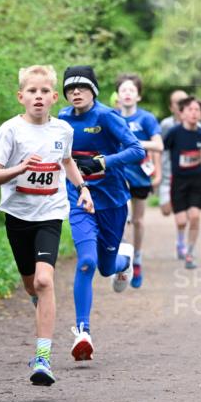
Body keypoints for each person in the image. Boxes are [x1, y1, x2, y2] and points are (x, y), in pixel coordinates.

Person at [0, 65, 94, 386]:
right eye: (32, 91)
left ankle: (43, 358)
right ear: (21, 97)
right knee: (32, 286)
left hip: (50, 213)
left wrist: (82, 188)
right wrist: (20, 168)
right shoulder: (10, 131)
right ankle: (41, 306)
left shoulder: (62, 130)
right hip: (18, 217)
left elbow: (68, 161)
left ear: (53, 97)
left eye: (44, 91)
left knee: (46, 281)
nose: (38, 97)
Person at [58, 66, 145, 361]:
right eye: (70, 89)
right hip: (80, 202)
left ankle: (125, 259)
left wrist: (104, 162)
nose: (76, 93)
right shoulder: (62, 119)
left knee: (107, 267)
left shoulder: (107, 116)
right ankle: (83, 332)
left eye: (82, 88)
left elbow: (137, 151)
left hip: (112, 202)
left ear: (93, 91)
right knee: (86, 262)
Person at [114, 73, 163, 288]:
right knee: (121, 216)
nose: (127, 94)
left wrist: (134, 143)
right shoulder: (111, 117)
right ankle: (123, 257)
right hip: (117, 174)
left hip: (141, 176)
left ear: (138, 96)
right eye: (123, 90)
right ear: (118, 94)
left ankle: (138, 258)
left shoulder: (146, 119)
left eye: (131, 90)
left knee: (138, 221)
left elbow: (159, 146)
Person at [162, 96, 201, 270]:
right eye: (190, 110)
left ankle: (190, 252)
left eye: (197, 110)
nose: (194, 113)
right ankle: (180, 242)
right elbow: (161, 150)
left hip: (197, 181)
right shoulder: (174, 133)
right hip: (178, 181)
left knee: (195, 216)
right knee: (181, 221)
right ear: (182, 113)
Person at [160, 89, 189, 256]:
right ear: (171, 107)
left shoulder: (195, 125)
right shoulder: (165, 125)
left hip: (186, 176)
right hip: (166, 174)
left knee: (182, 215)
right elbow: (158, 148)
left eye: (184, 101)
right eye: (177, 102)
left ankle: (180, 242)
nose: (181, 105)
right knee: (166, 210)